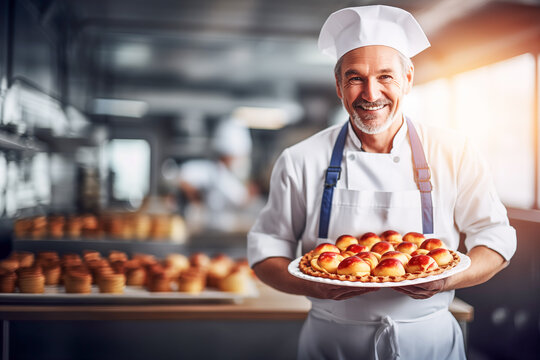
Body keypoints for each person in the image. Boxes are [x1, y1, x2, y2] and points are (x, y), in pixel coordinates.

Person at [247, 5, 516, 360]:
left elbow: (495, 239)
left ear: (408, 78)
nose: (371, 94)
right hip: (332, 342)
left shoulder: (454, 151)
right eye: (355, 77)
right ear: (339, 85)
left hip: (429, 341)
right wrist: (310, 284)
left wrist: (445, 280)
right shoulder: (301, 159)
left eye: (386, 76)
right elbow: (267, 249)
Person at [177, 117, 260, 233]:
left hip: (224, 230)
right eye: (237, 156)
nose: (239, 160)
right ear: (228, 154)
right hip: (204, 228)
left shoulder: (231, 179)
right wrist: (196, 199)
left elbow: (242, 201)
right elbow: (182, 177)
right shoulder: (211, 170)